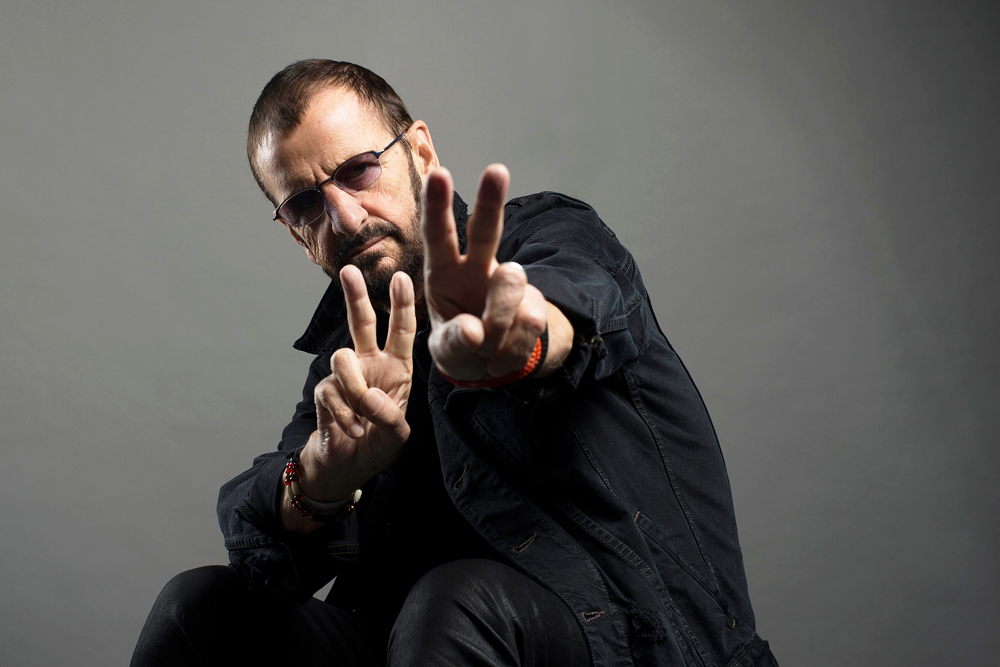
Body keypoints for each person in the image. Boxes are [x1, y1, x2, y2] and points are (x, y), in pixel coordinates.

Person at [131, 59, 779, 667]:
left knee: (457, 599)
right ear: (295, 233)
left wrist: (515, 340)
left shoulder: (547, 236)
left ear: (419, 151)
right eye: (305, 203)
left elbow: (576, 302)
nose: (345, 216)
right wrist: (321, 479)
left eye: (359, 169)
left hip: (635, 637)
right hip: (417, 637)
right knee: (199, 607)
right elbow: (264, 536)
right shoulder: (352, 350)